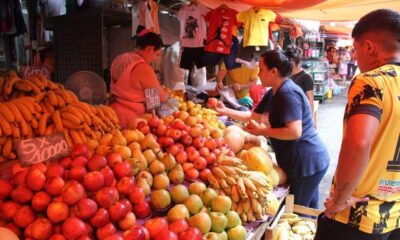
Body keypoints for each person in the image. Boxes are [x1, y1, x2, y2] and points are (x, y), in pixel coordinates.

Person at [315, 9, 400, 240]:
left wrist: (339, 201)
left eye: (356, 49)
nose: (356, 57)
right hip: (395, 218)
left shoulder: (371, 81)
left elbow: (359, 143)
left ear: (370, 47)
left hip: (357, 218)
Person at [215, 49, 330, 209]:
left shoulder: (287, 93)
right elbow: (253, 116)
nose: (258, 73)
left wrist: (262, 131)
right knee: (309, 210)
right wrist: (225, 111)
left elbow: (294, 131)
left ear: (274, 71)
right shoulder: (274, 92)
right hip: (303, 160)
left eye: (261, 69)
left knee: (298, 212)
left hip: (306, 161)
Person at [109, 30, 168, 127]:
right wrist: (169, 97)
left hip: (112, 114)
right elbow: (161, 97)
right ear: (150, 49)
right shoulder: (143, 68)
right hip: (131, 121)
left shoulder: (119, 58)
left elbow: (143, 90)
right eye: (156, 54)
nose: (154, 59)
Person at [285, 45, 315, 117]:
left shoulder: (306, 77)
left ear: (292, 60)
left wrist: (310, 119)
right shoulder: (286, 75)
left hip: (300, 114)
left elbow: (310, 100)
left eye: (287, 60)